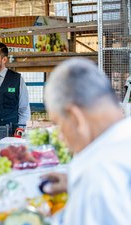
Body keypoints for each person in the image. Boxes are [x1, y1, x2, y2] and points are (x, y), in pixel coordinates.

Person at [41, 58, 131, 225]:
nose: (60, 136)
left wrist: (84, 186)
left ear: (75, 117)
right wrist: (72, 182)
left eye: (58, 123)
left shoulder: (97, 174)